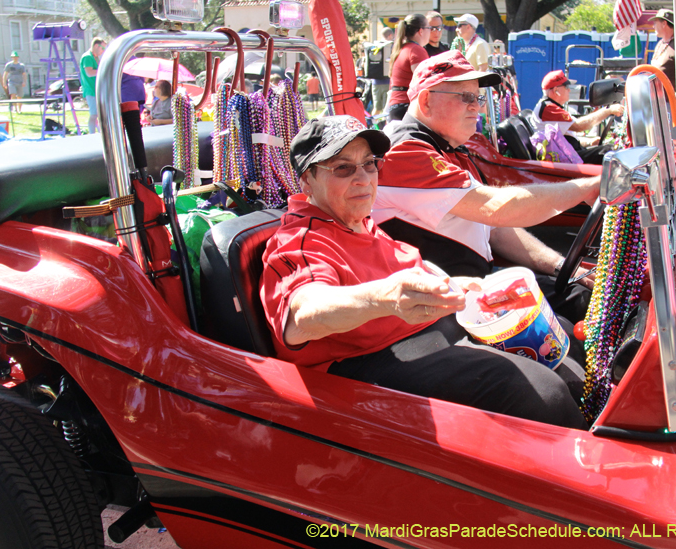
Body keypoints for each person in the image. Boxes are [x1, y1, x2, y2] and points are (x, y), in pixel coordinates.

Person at [260, 115, 587, 429]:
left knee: (565, 353)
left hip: (433, 336)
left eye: (369, 164)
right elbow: (304, 314)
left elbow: (409, 269)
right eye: (343, 168)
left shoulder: (358, 221)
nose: (363, 178)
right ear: (307, 180)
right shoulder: (299, 241)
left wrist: (450, 283)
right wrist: (383, 297)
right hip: (365, 367)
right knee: (544, 394)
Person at [373, 51, 597, 324]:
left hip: (476, 287)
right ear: (426, 100)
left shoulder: (447, 147)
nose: (477, 108)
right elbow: (496, 210)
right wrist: (586, 189)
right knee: (567, 333)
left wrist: (564, 267)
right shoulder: (404, 150)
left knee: (585, 299)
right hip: (440, 306)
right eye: (466, 97)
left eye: (478, 98)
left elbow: (496, 229)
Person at [536, 70, 623, 160]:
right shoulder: (549, 108)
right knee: (610, 151)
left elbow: (568, 138)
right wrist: (608, 111)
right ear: (556, 90)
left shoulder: (550, 107)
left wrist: (589, 142)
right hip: (566, 159)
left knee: (610, 149)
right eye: (566, 87)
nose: (569, 90)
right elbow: (579, 126)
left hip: (566, 155)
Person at [386, 14, 431, 122]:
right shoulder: (416, 50)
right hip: (408, 107)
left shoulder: (401, 49)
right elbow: (424, 82)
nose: (431, 32)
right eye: (429, 28)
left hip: (396, 106)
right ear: (421, 31)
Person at [80, 37, 106, 134]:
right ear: (96, 45)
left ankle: (100, 133)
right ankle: (92, 133)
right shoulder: (87, 57)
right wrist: (103, 70)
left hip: (97, 90)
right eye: (102, 48)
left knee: (99, 114)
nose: (103, 51)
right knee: (94, 114)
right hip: (91, 90)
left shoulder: (95, 58)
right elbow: (89, 72)